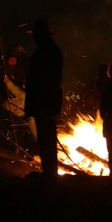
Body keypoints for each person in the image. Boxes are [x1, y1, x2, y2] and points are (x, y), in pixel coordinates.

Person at [25, 19, 63, 185]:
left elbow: (46, 80)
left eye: (36, 35)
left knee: (47, 138)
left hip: (44, 101)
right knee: (46, 138)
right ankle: (49, 172)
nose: (34, 38)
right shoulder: (48, 50)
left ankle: (50, 175)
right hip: (45, 100)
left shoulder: (47, 51)